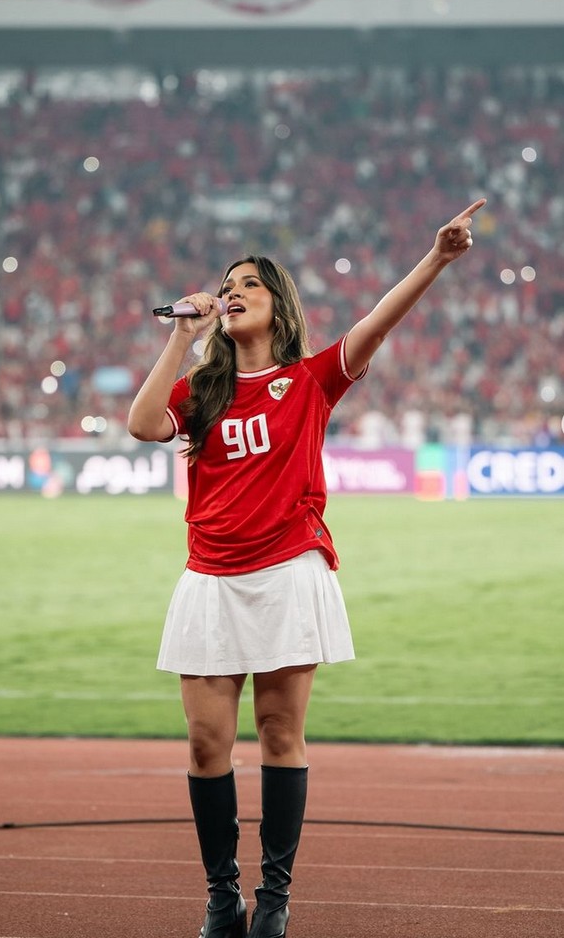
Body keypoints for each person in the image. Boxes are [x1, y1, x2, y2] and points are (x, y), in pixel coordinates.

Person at [127, 198, 486, 938]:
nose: (232, 293)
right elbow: (140, 425)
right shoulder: (203, 390)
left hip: (289, 572)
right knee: (205, 745)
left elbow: (378, 323)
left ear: (279, 307)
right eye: (227, 285)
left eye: (248, 285)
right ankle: (222, 897)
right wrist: (185, 339)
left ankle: (276, 898)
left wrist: (438, 258)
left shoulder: (314, 378)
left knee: (281, 736)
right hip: (210, 578)